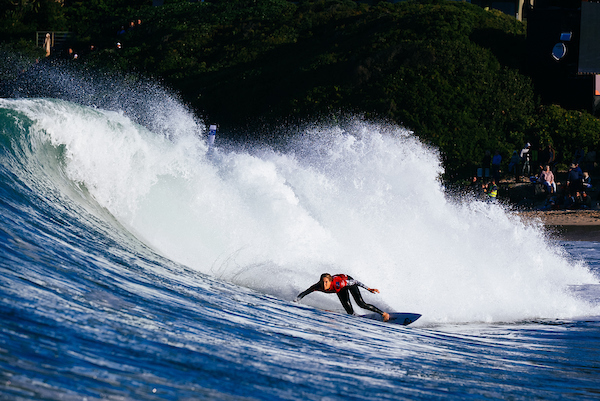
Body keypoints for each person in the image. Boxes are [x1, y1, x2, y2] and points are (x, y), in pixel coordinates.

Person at [295, 273, 390, 321]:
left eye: (326, 282)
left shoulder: (338, 283)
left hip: (349, 282)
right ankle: (356, 317)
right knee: (349, 311)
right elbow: (305, 292)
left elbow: (355, 282)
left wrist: (369, 289)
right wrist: (296, 300)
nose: (324, 284)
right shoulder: (318, 286)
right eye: (322, 282)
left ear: (330, 281)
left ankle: (384, 314)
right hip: (340, 290)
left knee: (361, 303)